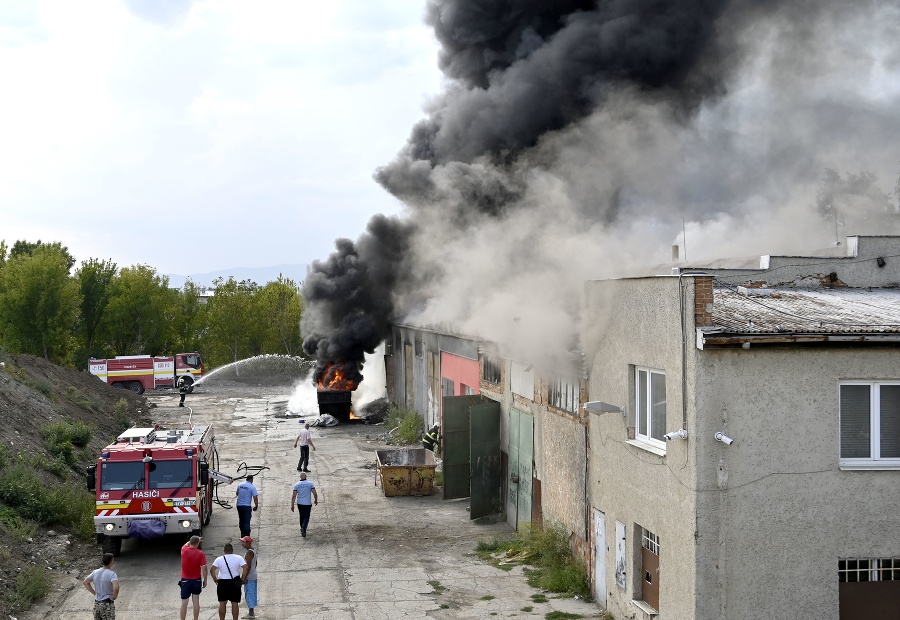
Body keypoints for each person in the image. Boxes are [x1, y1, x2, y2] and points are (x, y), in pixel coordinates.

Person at [210, 542, 249, 620]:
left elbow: (212, 570)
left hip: (222, 583)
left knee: (222, 603)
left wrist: (215, 579)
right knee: (235, 603)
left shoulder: (219, 559)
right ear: (232, 550)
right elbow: (246, 567)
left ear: (224, 551)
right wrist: (243, 578)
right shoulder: (238, 558)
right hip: (235, 582)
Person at [180, 535, 208, 620]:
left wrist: (196, 540)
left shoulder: (184, 550)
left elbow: (186, 544)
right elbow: (204, 568)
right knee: (196, 601)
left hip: (185, 579)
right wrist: (205, 580)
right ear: (197, 543)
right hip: (196, 580)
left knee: (184, 602)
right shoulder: (200, 553)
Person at [83, 552, 119, 620]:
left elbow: (85, 582)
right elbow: (116, 587)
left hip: (97, 604)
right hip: (107, 604)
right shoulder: (112, 574)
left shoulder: (95, 572)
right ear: (111, 562)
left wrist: (95, 593)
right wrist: (114, 597)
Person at [290, 471, 318, 538]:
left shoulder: (297, 485)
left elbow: (294, 496)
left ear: (300, 477)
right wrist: (315, 500)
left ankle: (302, 527)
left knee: (301, 515)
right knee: (306, 516)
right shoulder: (310, 484)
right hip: (307, 503)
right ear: (306, 477)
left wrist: (292, 505)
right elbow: (315, 493)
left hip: (300, 503)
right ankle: (304, 527)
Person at [239, 536, 258, 619]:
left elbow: (248, 566)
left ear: (248, 543)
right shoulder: (253, 550)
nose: (242, 544)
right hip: (253, 574)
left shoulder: (249, 553)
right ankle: (251, 612)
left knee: (249, 593)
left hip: (249, 576)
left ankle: (251, 613)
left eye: (243, 542)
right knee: (251, 592)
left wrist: (244, 577)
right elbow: (255, 563)